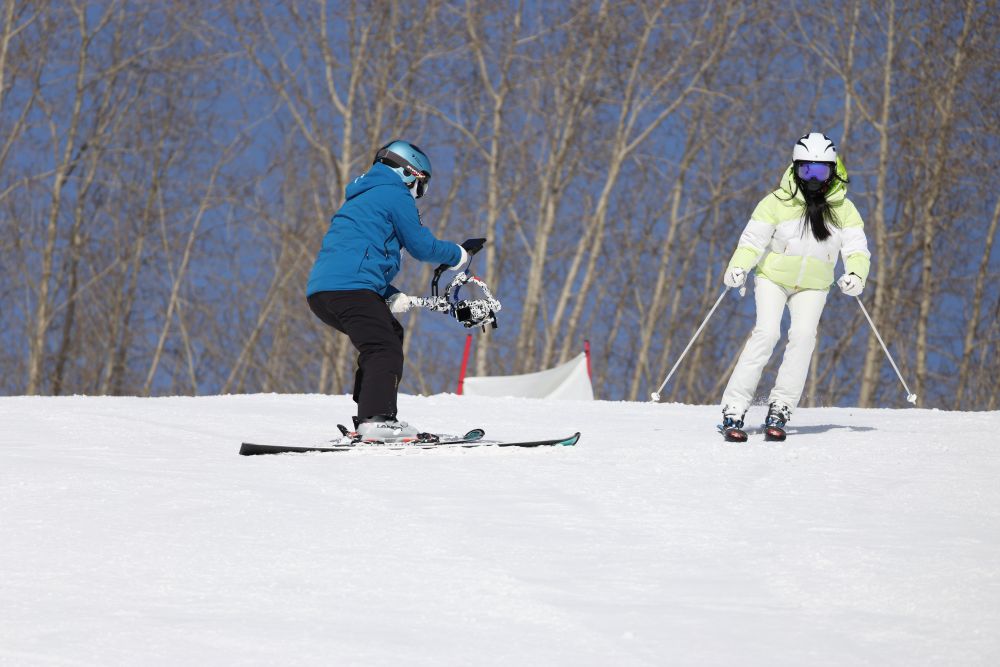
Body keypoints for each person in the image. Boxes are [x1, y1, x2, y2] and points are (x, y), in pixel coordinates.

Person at [306, 140, 471, 440]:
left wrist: (389, 293)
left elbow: (356, 256)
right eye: (422, 185)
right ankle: (377, 419)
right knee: (383, 346)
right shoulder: (394, 194)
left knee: (386, 337)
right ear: (409, 173)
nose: (419, 194)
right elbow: (422, 246)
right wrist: (460, 255)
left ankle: (369, 416)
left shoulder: (361, 199)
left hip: (325, 292)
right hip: (351, 289)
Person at [719, 132, 871, 441]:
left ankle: (780, 408)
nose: (813, 179)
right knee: (767, 333)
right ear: (795, 169)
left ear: (833, 171)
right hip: (772, 279)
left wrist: (855, 274)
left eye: (820, 171)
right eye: (806, 171)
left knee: (803, 337)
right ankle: (734, 408)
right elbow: (752, 241)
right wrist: (738, 267)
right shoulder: (776, 202)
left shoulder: (844, 210)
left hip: (814, 286)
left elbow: (856, 250)